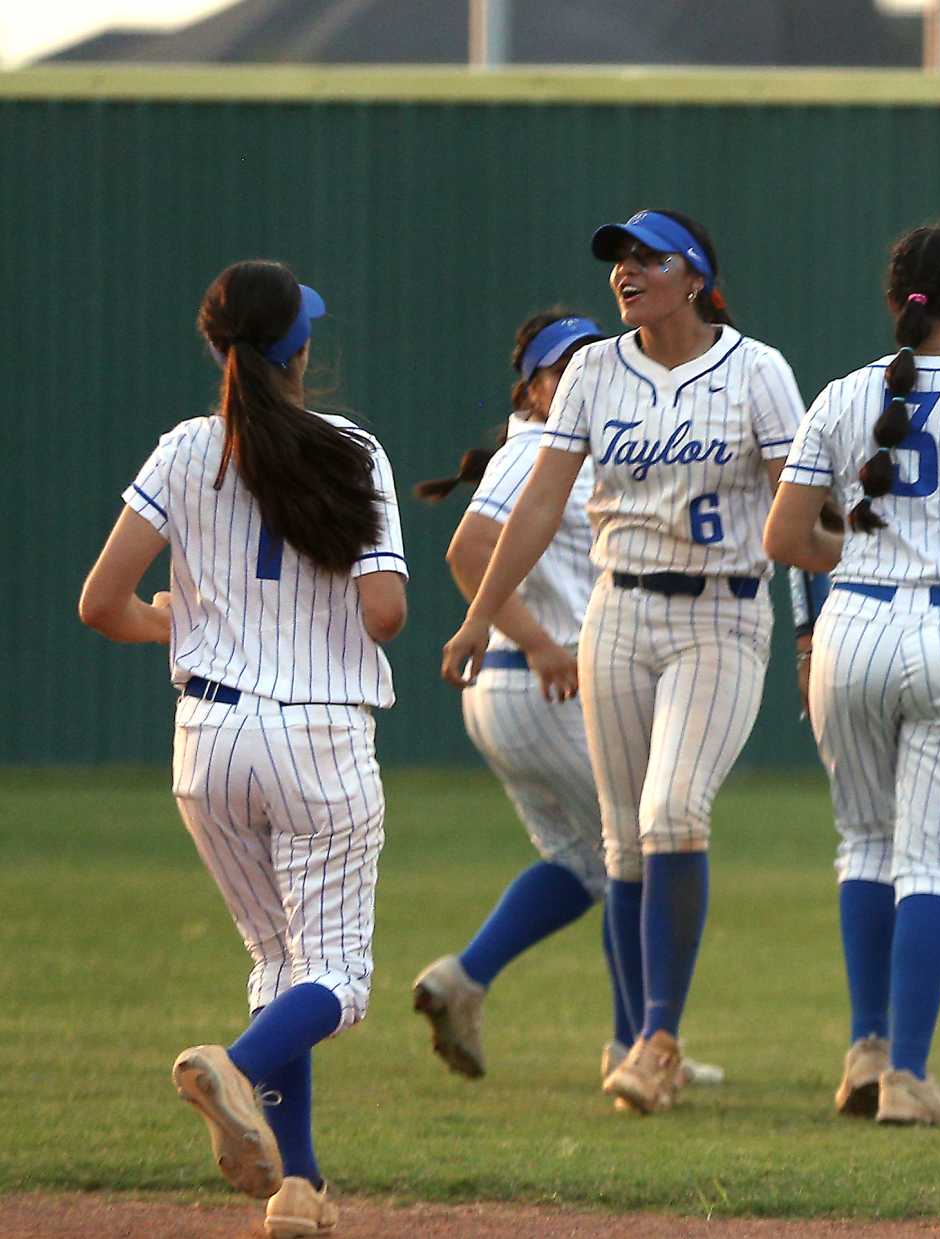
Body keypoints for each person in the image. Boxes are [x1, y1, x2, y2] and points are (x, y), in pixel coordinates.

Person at [441, 210, 805, 1115]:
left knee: (675, 810)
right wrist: (483, 616)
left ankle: (658, 1039)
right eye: (618, 259)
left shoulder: (758, 371)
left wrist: (813, 627)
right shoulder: (596, 371)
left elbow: (801, 514)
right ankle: (645, 1037)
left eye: (647, 258)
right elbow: (534, 508)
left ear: (695, 277)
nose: (626, 272)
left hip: (720, 616)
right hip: (619, 609)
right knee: (621, 843)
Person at [79, 261, 406, 1236]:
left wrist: (172, 623)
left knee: (277, 962)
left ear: (221, 350)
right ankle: (238, 1065)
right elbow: (385, 614)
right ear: (297, 350)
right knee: (335, 980)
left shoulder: (185, 450)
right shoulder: (350, 447)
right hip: (317, 735)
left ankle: (295, 1188)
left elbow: (101, 604)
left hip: (209, 740)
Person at [764, 225, 940, 1126]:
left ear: (897, 304)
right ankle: (909, 1077)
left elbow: (784, 541)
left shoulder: (843, 395)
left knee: (865, 846)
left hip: (851, 625)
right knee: (931, 857)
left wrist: (855, 550)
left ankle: (867, 1049)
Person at [408, 311, 723, 1095]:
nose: (588, 374)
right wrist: (541, 639)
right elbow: (466, 550)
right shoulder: (540, 448)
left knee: (585, 862)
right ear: (534, 387)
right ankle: (634, 1044)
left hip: (518, 689)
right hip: (539, 677)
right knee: (641, 854)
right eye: (568, 366)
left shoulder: (573, 448)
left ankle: (467, 976)